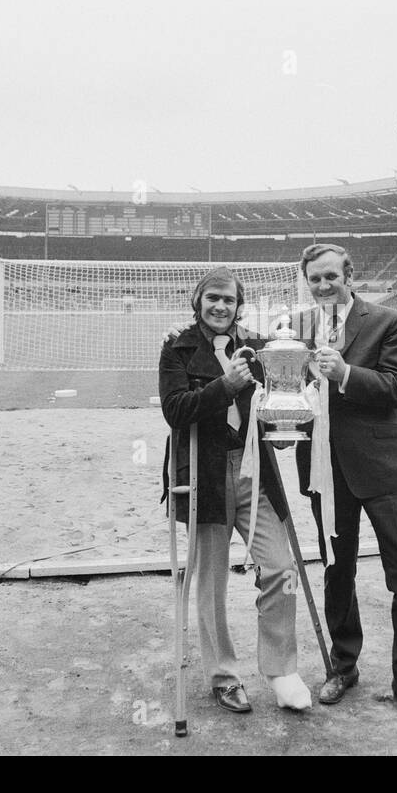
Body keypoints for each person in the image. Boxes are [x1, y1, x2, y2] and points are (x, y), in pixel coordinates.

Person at [158, 267, 311, 714]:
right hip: (204, 472)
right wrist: (226, 386)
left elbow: (279, 395)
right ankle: (223, 676)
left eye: (228, 299)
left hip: (253, 470)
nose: (220, 306)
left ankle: (282, 672)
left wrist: (287, 426)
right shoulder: (178, 347)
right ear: (198, 301)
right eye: (213, 298)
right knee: (211, 582)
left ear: (239, 305)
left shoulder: (261, 346)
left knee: (281, 567)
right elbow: (175, 410)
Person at [293, 243, 397, 719]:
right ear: (306, 281)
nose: (323, 285)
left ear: (348, 275)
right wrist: (180, 331)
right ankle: (344, 665)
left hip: (385, 467)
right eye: (315, 278)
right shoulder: (297, 328)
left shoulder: (386, 320)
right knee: (338, 570)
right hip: (325, 470)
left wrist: (349, 373)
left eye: (331, 276)